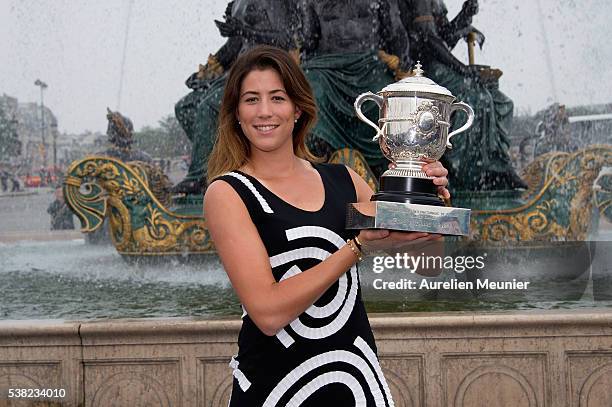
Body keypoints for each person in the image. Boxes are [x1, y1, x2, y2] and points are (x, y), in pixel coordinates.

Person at [204, 46, 450, 405]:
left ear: (298, 108)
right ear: (237, 113)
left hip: (355, 382)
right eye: (251, 100)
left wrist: (430, 202)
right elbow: (268, 313)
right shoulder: (229, 193)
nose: (265, 112)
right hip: (277, 389)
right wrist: (356, 248)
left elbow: (428, 267)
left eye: (277, 98)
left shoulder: (344, 181)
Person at [398, 0, 526, 191]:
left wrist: (464, 16)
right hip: (422, 67)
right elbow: (427, 39)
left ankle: (496, 162)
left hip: (438, 62)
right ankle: (467, 171)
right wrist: (462, 68)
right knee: (477, 97)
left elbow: (443, 39)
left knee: (501, 101)